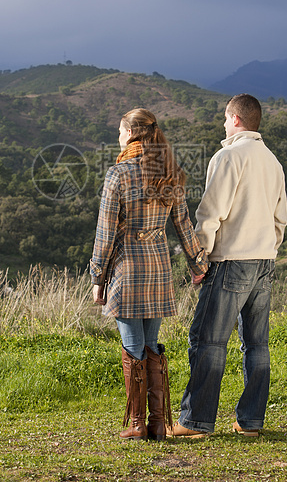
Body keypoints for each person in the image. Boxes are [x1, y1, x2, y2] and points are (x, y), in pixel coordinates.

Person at [168, 93, 287, 439]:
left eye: (224, 118)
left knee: (208, 340)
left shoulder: (228, 156)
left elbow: (210, 213)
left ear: (235, 118)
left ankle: (196, 422)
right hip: (264, 262)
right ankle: (250, 420)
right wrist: (269, 249)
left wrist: (198, 257)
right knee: (257, 344)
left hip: (230, 261)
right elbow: (281, 218)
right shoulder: (273, 162)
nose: (223, 124)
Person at [90, 108, 208, 441]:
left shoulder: (119, 175)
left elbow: (105, 233)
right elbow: (183, 225)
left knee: (134, 349)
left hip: (127, 270)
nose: (118, 136)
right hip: (158, 270)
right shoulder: (169, 171)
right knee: (152, 347)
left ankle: (137, 424)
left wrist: (98, 278)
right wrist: (197, 266)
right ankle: (158, 423)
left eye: (120, 131)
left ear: (132, 134)